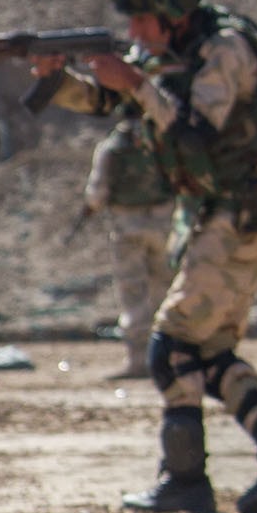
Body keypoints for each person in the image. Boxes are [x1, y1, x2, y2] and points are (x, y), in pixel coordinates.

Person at [36, 0, 257, 513]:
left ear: (172, 13)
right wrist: (60, 82)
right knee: (209, 349)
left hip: (244, 212)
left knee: (170, 346)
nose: (134, 31)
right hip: (221, 214)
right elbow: (112, 102)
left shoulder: (224, 50)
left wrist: (136, 84)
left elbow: (196, 135)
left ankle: (188, 479)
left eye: (142, 19)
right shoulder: (176, 53)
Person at [81, 116, 177, 381]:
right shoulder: (162, 141)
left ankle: (139, 361)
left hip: (128, 226)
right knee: (166, 291)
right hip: (165, 223)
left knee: (133, 293)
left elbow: (97, 193)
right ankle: (169, 357)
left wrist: (90, 208)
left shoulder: (112, 147)